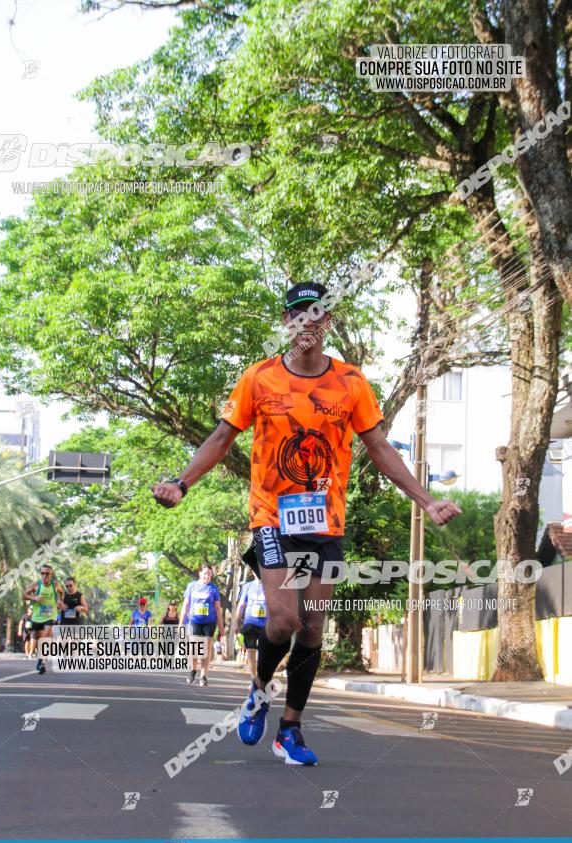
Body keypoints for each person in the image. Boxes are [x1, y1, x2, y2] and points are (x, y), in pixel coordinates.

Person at [152, 280, 460, 765]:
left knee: (313, 628)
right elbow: (220, 440)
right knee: (284, 619)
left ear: (328, 323)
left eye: (316, 315)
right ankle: (258, 689)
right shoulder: (259, 379)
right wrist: (182, 483)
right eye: (298, 315)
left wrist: (425, 501)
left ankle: (289, 729)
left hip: (326, 525)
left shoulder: (352, 383)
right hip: (272, 518)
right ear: (286, 323)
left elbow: (379, 448)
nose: (307, 324)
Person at [180, 563, 225, 686]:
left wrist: (221, 627)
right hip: (194, 621)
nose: (207, 576)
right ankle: (193, 669)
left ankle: (204, 676)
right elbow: (185, 606)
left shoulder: (213, 588)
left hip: (209, 622)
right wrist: (180, 624)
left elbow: (217, 608)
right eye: (205, 573)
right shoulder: (191, 586)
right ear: (200, 573)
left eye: (209, 574)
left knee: (206, 649)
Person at [23, 565, 64, 674]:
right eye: (43, 573)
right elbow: (24, 595)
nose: (45, 575)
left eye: (47, 573)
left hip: (50, 616)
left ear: (51, 574)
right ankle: (40, 659)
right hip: (37, 617)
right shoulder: (36, 585)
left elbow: (61, 592)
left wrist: (60, 601)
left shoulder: (55, 585)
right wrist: (34, 597)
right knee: (38, 637)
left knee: (46, 637)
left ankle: (42, 663)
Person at [236, 573, 267, 677]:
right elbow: (241, 606)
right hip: (250, 622)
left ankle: (262, 677)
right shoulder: (248, 586)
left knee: (264, 652)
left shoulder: (270, 585)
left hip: (266, 624)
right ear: (253, 572)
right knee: (250, 651)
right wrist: (237, 623)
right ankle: (254, 679)